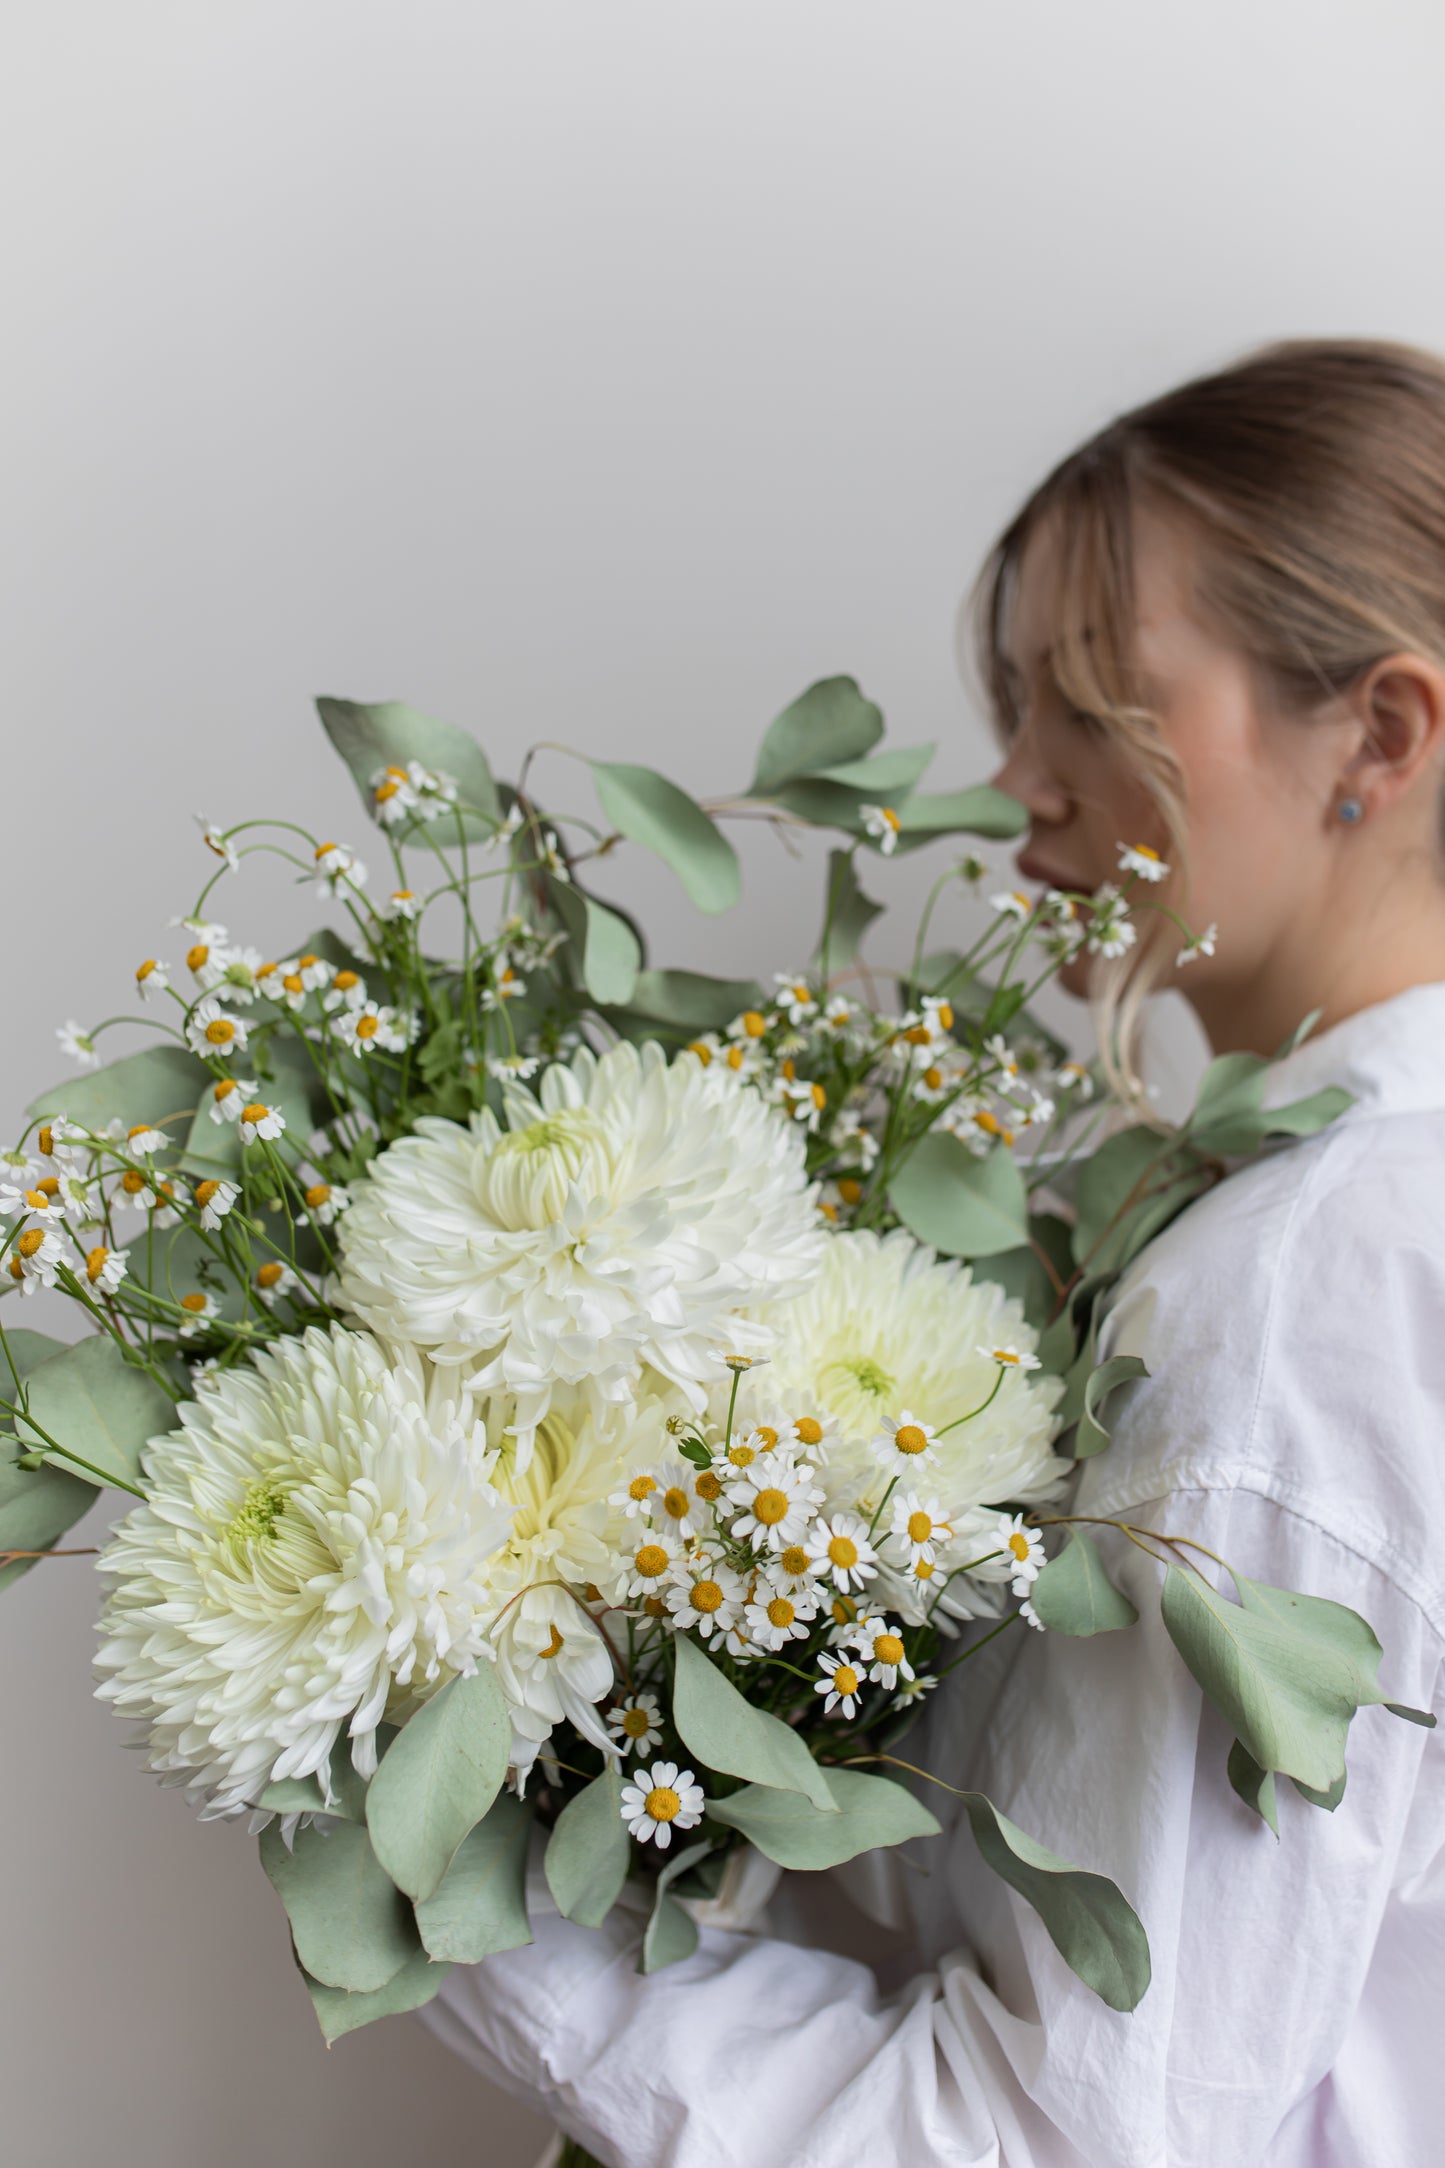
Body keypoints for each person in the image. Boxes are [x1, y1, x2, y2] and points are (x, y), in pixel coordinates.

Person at [418, 338, 1445, 2166]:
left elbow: (1060, 2138)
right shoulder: (1313, 1227)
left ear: (1378, 730)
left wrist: (444, 1858)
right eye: (1015, 708)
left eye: (1094, 703)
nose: (1016, 786)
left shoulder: (1296, 1291)